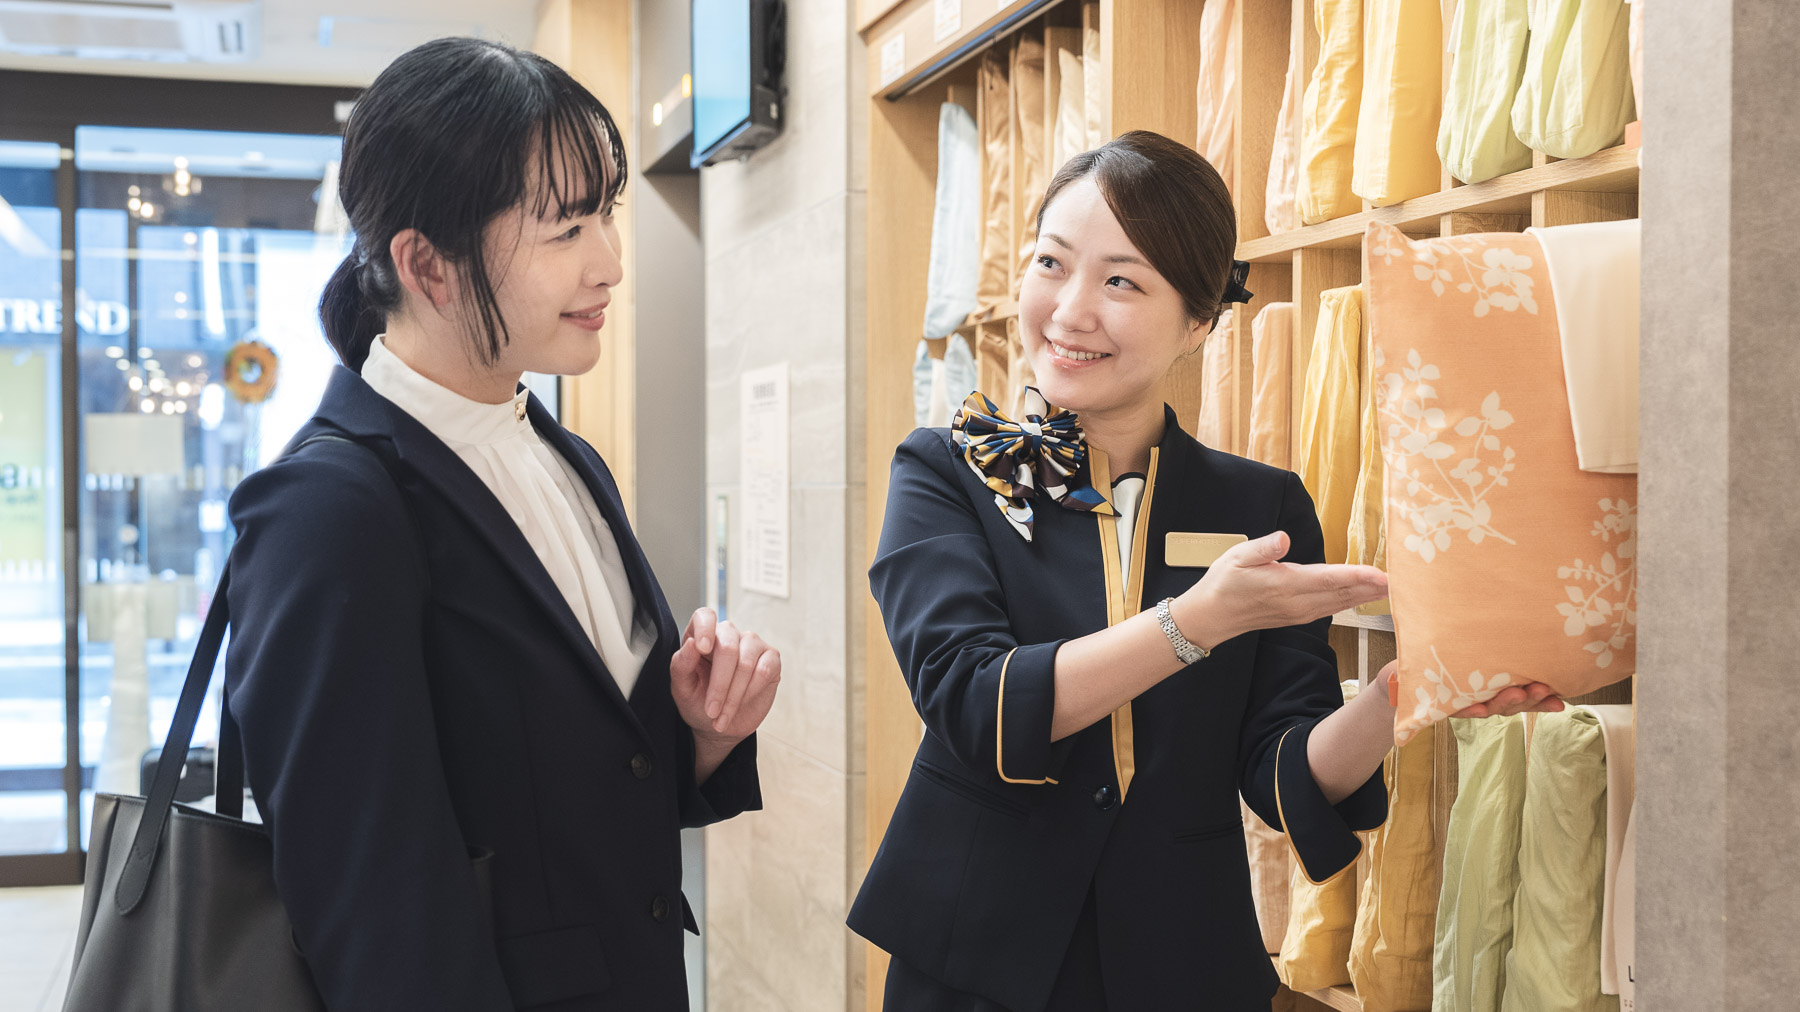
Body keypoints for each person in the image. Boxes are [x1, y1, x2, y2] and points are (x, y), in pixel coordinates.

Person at [848, 130, 1561, 1010]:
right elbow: (974, 701)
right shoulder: (945, 471)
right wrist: (1195, 624)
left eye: (1121, 280)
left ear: (1199, 321)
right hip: (977, 956)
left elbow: (1281, 765)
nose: (1070, 310)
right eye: (1051, 263)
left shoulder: (1260, 509)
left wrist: (1405, 696)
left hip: (1183, 956)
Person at [224, 37, 778, 1011]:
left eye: (603, 212)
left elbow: (580, 783)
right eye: (566, 229)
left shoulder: (563, 452)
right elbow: (372, 913)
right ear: (427, 265)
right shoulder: (333, 510)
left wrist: (699, 735)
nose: (610, 261)